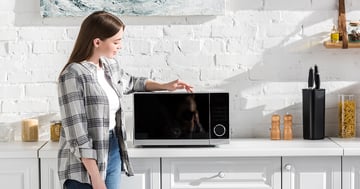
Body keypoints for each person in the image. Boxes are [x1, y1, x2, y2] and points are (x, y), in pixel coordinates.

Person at [57, 10, 193, 189]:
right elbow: (77, 135)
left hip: (112, 146)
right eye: (116, 41)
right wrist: (96, 178)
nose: (120, 46)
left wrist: (165, 86)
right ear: (97, 42)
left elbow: (131, 82)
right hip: (83, 163)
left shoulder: (109, 65)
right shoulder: (73, 75)